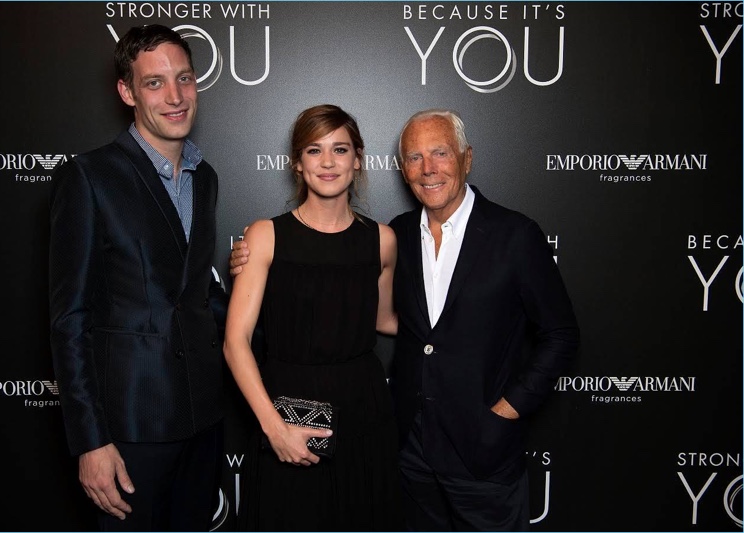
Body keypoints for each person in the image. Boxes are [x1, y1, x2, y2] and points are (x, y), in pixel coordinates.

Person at [230, 109, 579, 531]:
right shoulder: (396, 233)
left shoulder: (505, 235)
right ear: (297, 163)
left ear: (466, 158)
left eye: (440, 153)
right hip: (393, 442)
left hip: (454, 439)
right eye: (415, 157)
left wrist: (508, 410)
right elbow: (393, 319)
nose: (428, 169)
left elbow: (558, 334)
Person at [49, 24, 227, 531]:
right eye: (155, 83)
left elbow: (195, 293)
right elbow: (70, 320)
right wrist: (90, 440)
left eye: (185, 79)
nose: (175, 97)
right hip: (128, 430)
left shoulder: (206, 177)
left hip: (204, 419)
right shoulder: (89, 177)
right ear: (127, 92)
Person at [223, 104, 404, 531]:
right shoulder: (265, 235)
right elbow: (235, 341)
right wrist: (274, 428)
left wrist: (467, 322)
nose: (327, 162)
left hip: (364, 409)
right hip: (287, 409)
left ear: (358, 159)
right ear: (297, 164)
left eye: (340, 150)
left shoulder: (382, 240)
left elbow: (383, 319)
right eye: (313, 150)